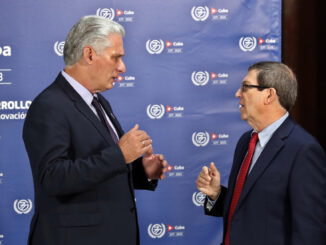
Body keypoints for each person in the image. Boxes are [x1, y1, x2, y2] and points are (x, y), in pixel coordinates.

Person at [23, 15, 167, 245]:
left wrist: (141, 172)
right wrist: (120, 155)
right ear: (89, 54)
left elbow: (101, 172)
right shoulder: (49, 106)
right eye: (116, 57)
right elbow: (53, 179)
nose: (122, 67)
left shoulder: (98, 103)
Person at [196, 61, 326, 245]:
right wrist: (216, 194)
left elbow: (309, 231)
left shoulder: (303, 150)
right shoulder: (245, 142)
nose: (237, 94)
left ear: (269, 95)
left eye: (245, 87)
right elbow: (247, 209)